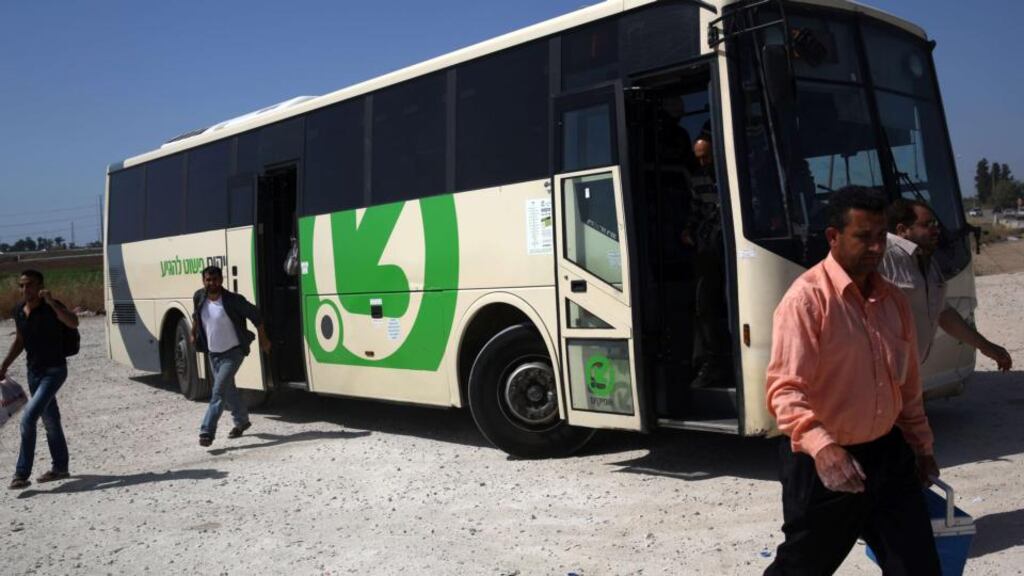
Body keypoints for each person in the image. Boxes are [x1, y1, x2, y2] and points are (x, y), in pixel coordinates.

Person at [764, 187, 941, 575]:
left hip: (888, 456)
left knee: (918, 567)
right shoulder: (807, 300)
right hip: (824, 461)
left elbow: (907, 386)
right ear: (834, 237)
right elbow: (785, 390)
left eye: (881, 237)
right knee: (802, 568)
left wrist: (921, 446)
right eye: (864, 237)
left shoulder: (893, 301)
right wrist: (824, 448)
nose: (877, 248)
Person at [882, 199, 1013, 371]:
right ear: (902, 230)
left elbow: (943, 313)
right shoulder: (882, 256)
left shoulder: (927, 261)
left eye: (935, 223)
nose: (936, 230)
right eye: (927, 224)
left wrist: (986, 347)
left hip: (907, 371)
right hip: (878, 374)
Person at [1, 270, 78, 490]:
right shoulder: (19, 311)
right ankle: (60, 467)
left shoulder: (51, 307)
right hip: (33, 373)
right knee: (51, 420)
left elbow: (73, 323)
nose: (26, 290)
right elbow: (20, 340)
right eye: (22, 285)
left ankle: (21, 474)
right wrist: (5, 364)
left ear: (41, 285)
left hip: (54, 371)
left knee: (28, 418)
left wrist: (52, 302)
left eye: (31, 285)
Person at [191, 266, 271, 447]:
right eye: (208, 280)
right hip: (213, 353)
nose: (212, 283)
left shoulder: (234, 300)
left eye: (216, 280)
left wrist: (263, 339)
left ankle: (207, 431)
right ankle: (242, 421)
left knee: (218, 392)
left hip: (233, 352)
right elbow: (196, 315)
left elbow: (256, 315)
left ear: (222, 280)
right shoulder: (199, 296)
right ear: (203, 281)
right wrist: (193, 332)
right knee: (228, 389)